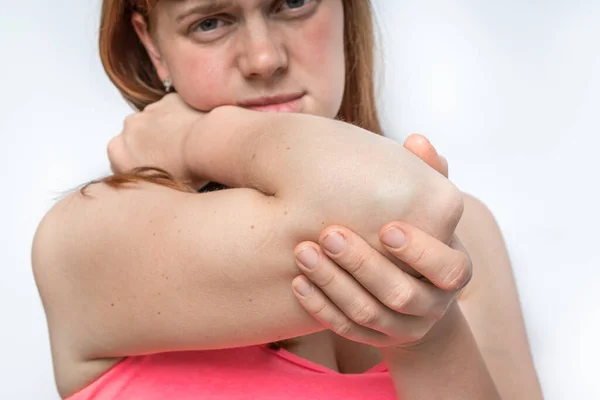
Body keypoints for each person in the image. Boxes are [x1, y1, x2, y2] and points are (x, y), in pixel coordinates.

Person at [32, 0, 543, 399]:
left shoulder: (467, 228)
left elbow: (395, 200)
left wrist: (428, 337)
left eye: (293, 3)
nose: (264, 59)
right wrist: (197, 139)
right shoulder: (87, 237)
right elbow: (388, 202)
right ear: (153, 45)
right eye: (210, 22)